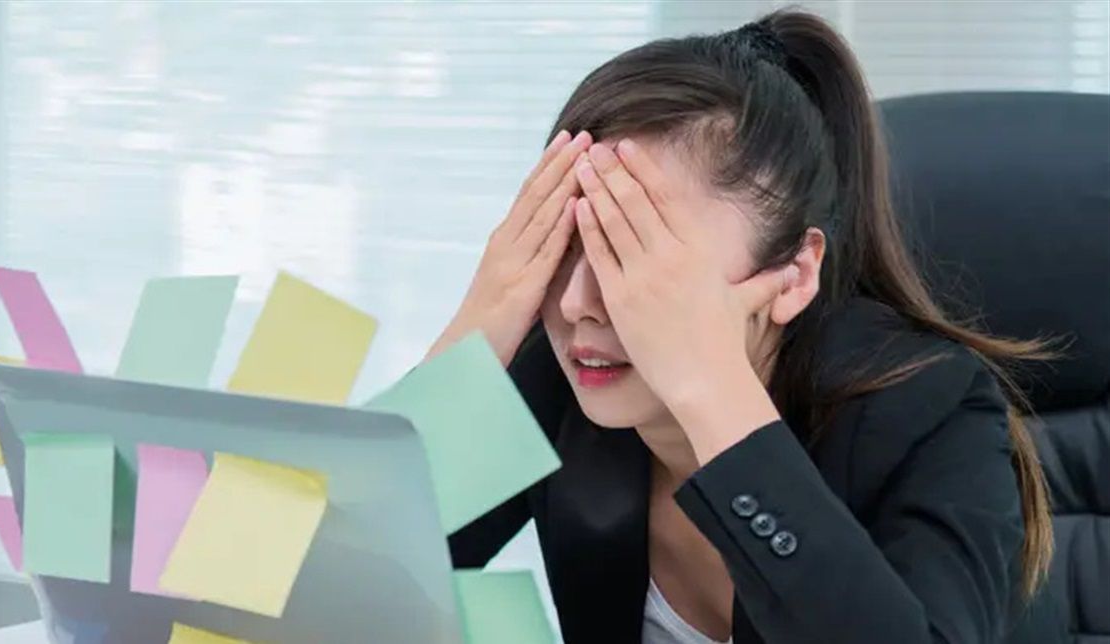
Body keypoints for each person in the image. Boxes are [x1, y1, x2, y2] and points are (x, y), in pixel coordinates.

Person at [430, 9, 1057, 644]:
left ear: (794, 275)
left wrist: (711, 395)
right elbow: (370, 592)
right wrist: (471, 338)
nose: (577, 304)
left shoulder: (929, 408)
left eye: (636, 252)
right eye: (567, 243)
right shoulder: (569, 372)